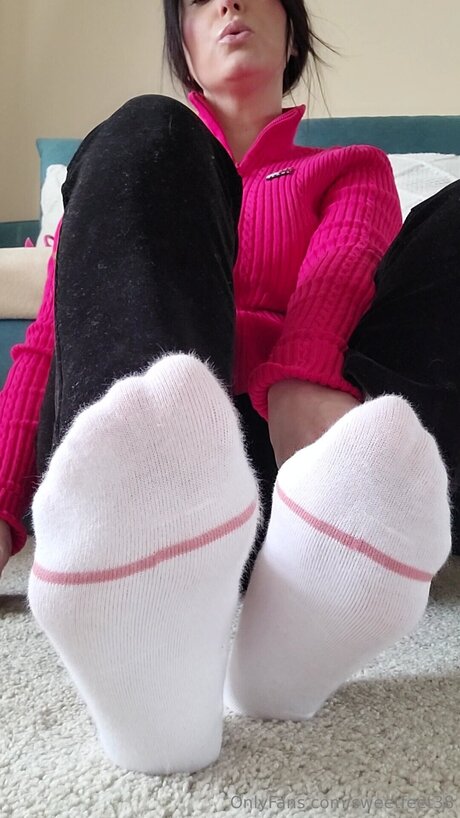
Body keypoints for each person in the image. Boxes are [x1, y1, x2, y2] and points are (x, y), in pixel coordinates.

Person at [0, 0, 458, 777]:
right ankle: (149, 586)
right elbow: (50, 339)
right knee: (143, 131)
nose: (229, 2)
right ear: (181, 42)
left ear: (294, 32)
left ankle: (300, 612)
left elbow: (340, 270)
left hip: (308, 469)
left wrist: (302, 386)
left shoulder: (351, 166)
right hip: (129, 442)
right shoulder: (135, 161)